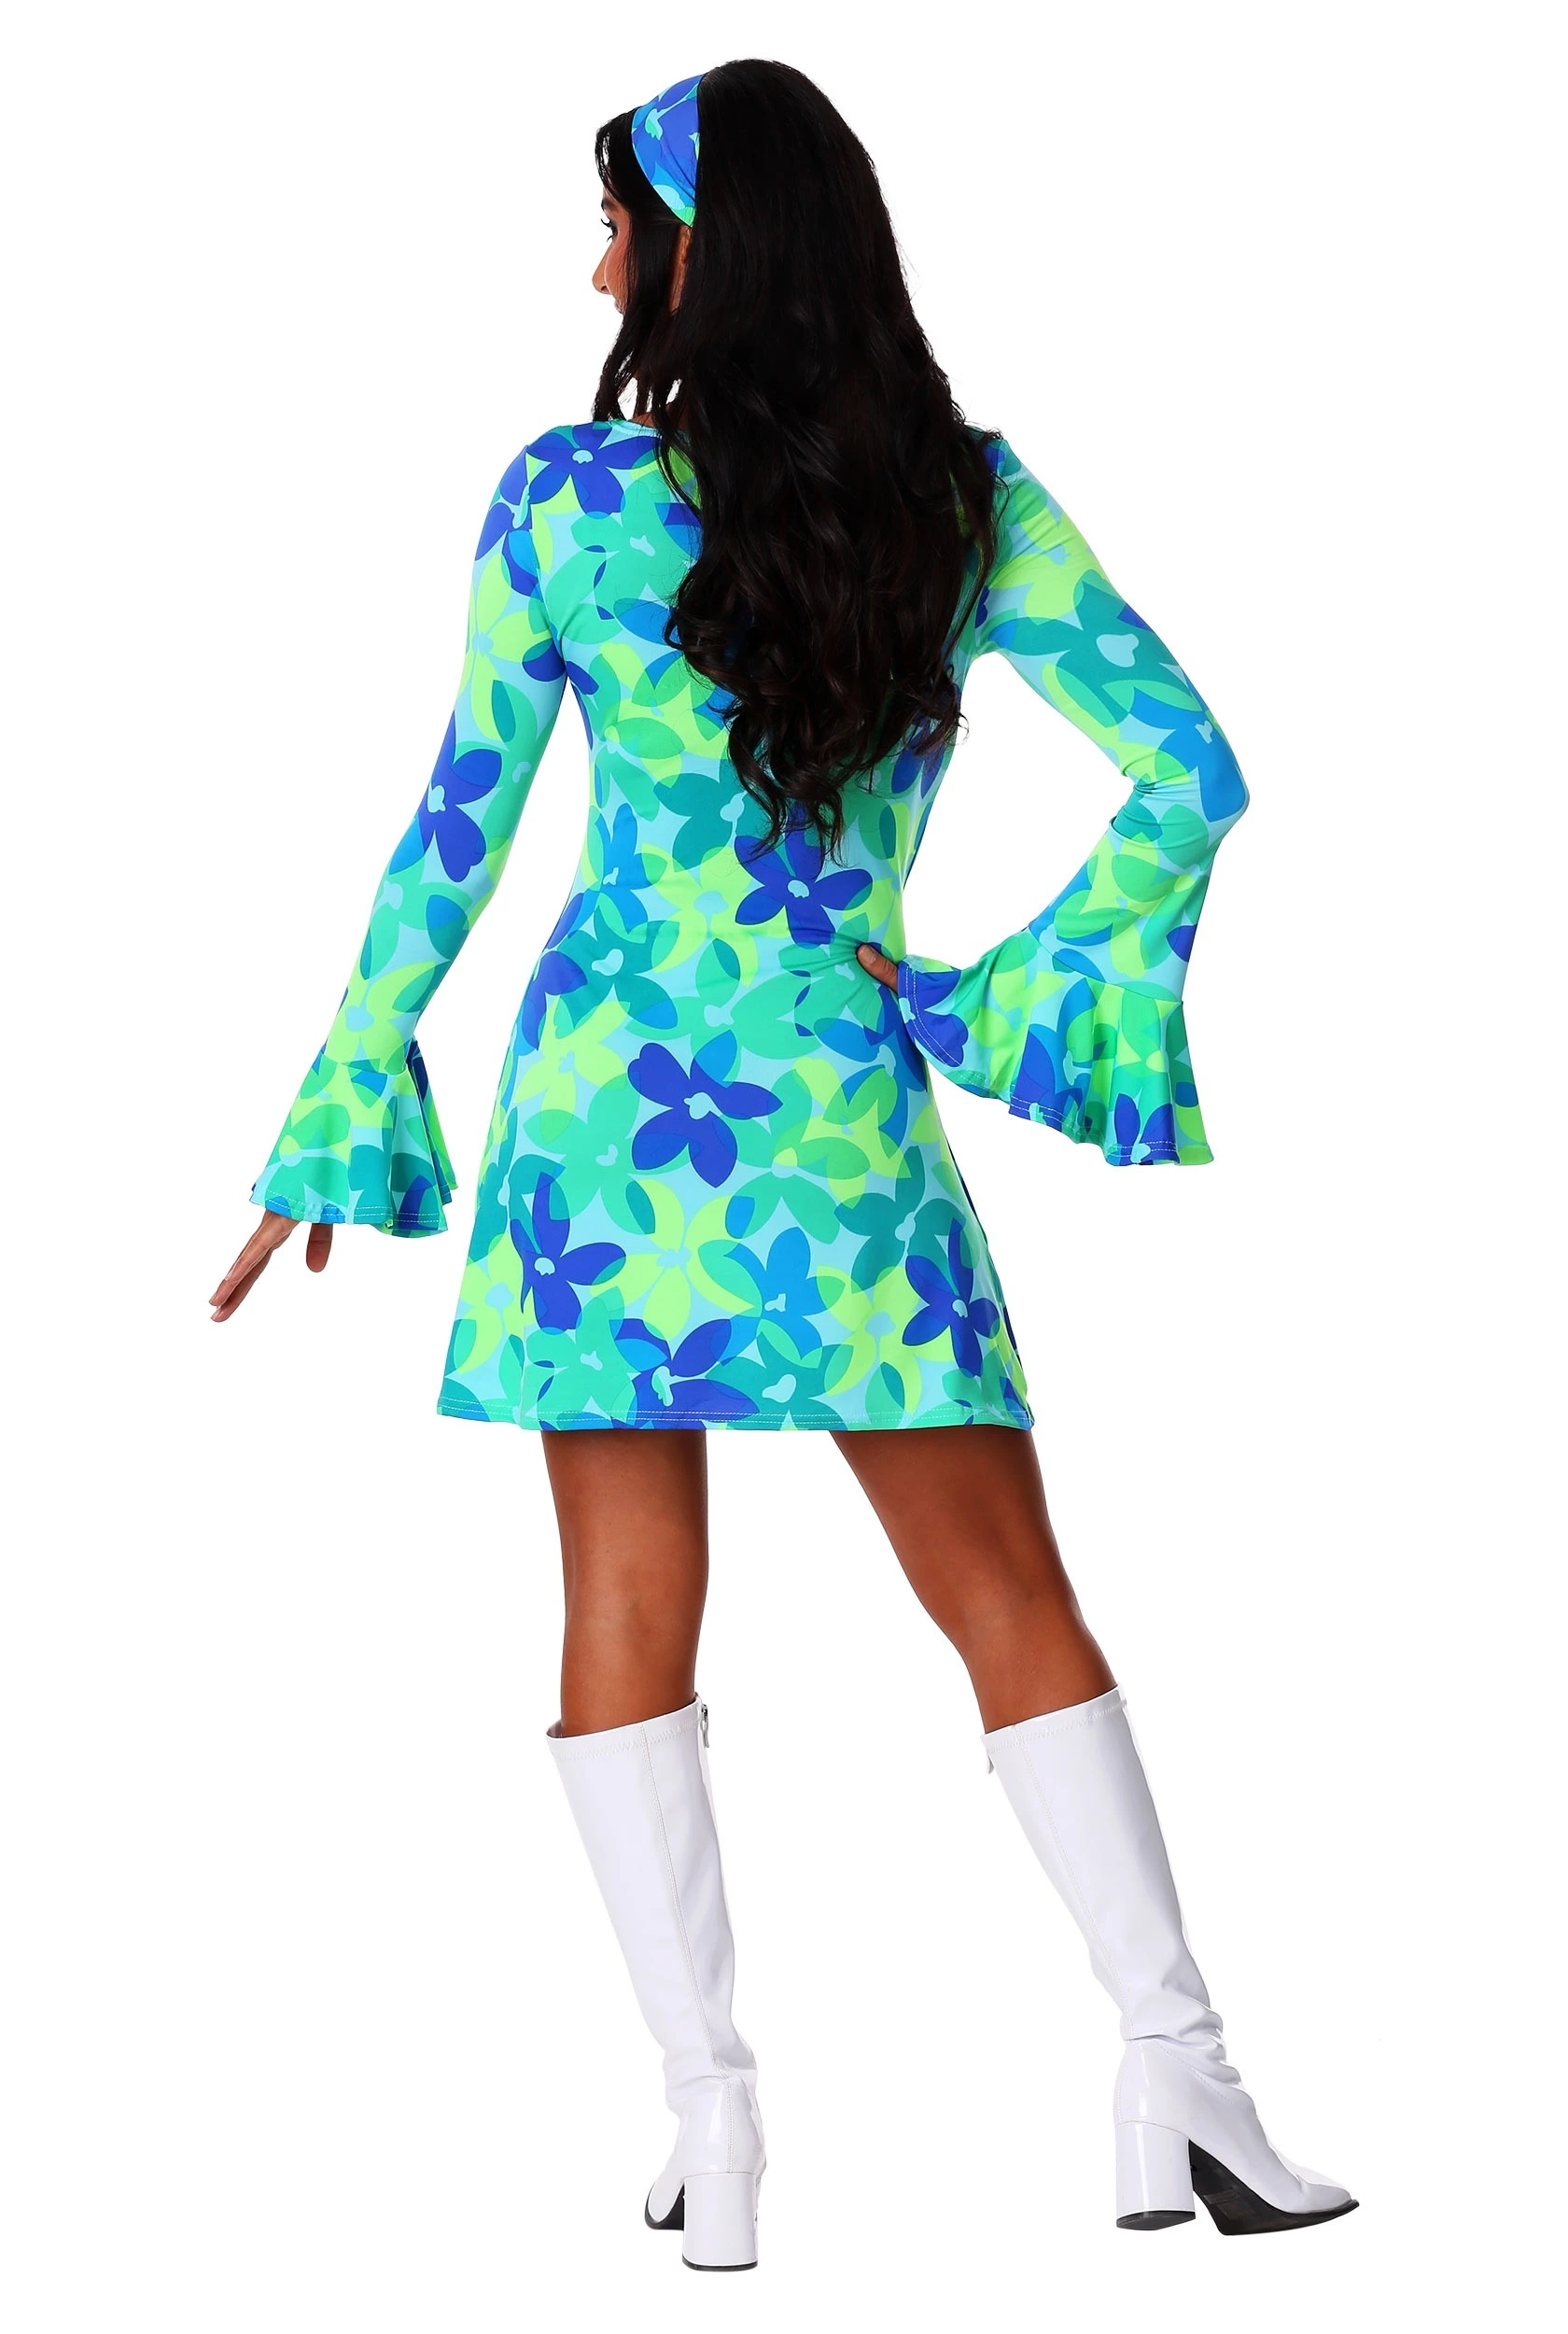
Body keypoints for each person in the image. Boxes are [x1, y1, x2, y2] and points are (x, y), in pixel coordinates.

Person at [211, 58, 1355, 2271]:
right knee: (1005, 1589)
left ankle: (711, 2123)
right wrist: (1016, 997)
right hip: (832, 1108)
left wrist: (346, 1088)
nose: (592, 272)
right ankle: (1178, 2071)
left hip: (599, 1124)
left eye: (611, 226)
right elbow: (1192, 769)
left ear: (692, 251)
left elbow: (456, 825)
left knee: (622, 1598)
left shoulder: (561, 498)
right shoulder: (961, 500)